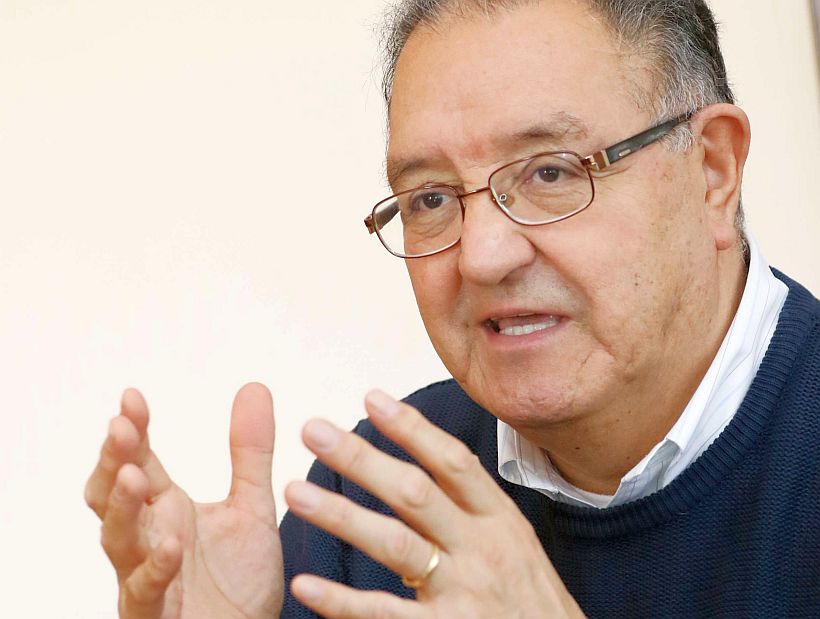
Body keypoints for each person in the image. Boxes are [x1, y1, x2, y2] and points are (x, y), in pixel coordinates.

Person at [85, 0, 820, 617]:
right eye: (431, 198)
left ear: (713, 170)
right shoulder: (376, 497)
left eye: (550, 172)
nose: (482, 256)